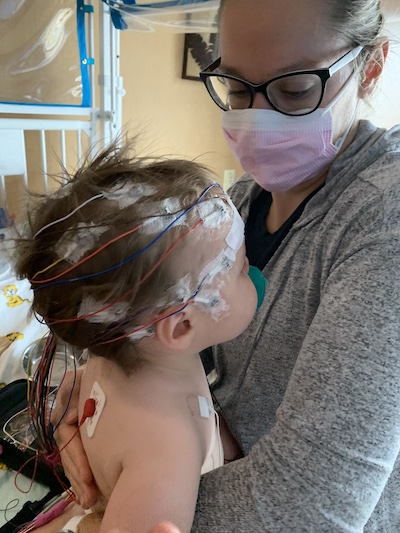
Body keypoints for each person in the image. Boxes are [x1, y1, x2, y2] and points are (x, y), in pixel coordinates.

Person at [53, 0, 400, 531]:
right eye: (237, 87)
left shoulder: (381, 222)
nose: (258, 117)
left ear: (371, 66)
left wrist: (131, 500)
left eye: (295, 89)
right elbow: (160, 324)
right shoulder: (237, 203)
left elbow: (309, 507)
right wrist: (109, 378)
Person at [14, 143, 267, 533]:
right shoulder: (167, 454)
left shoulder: (114, 357)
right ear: (180, 328)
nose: (254, 273)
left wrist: (219, 441)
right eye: (241, 268)